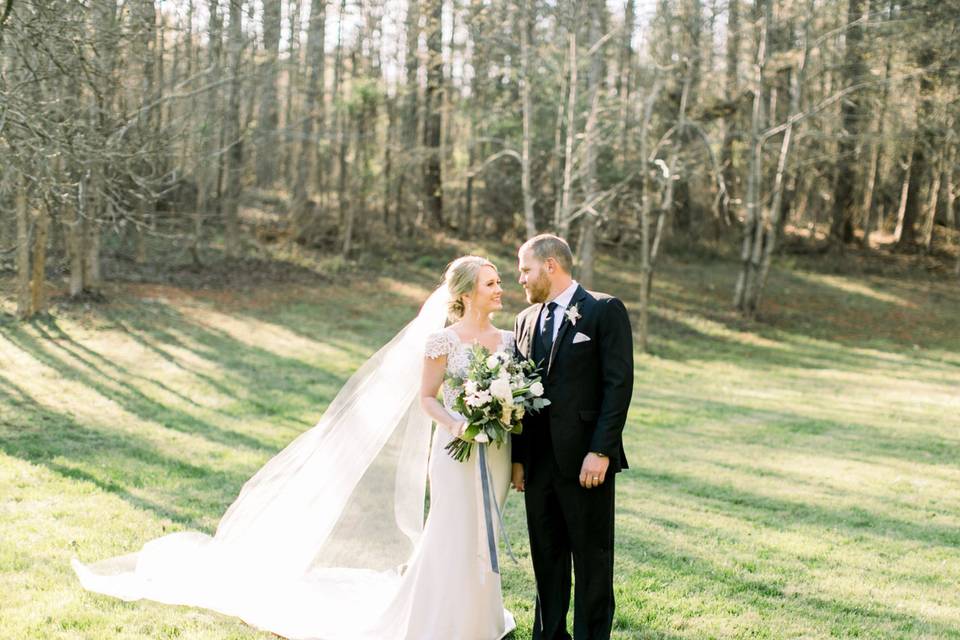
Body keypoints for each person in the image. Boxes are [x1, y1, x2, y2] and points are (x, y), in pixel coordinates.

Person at [72, 255, 516, 640]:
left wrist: (503, 413)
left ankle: (481, 617)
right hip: (454, 448)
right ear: (466, 292)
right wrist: (458, 424)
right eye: (491, 283)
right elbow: (426, 399)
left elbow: (515, 393)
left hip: (495, 451)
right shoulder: (442, 340)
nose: (500, 289)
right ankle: (440, 618)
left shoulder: (508, 340)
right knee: (452, 528)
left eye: (499, 281)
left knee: (486, 527)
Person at [510, 234, 634, 640]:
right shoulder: (524, 321)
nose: (520, 279)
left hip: (586, 461)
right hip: (539, 465)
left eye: (525, 269)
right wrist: (518, 459)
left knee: (592, 558)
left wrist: (601, 450)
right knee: (546, 558)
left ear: (550, 266)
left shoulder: (603, 310)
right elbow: (520, 395)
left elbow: (618, 386)